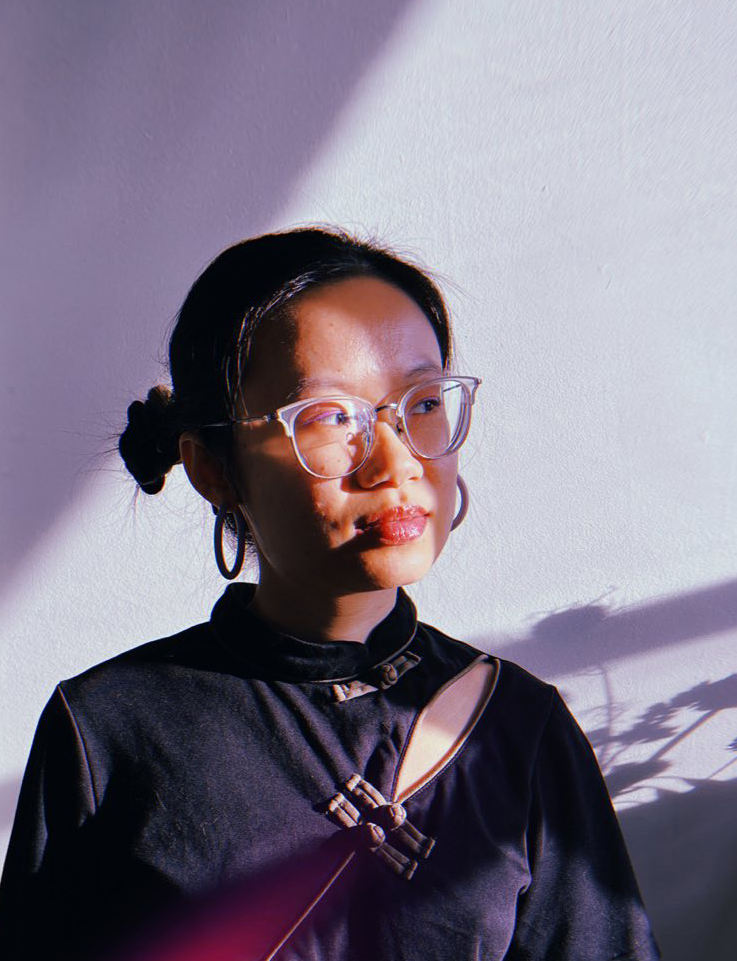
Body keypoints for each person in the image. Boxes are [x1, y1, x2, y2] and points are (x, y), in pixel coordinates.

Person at [0, 227, 659, 960]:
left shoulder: (518, 725)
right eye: (329, 417)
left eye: (423, 401)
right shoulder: (109, 727)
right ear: (213, 468)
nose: (394, 458)